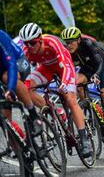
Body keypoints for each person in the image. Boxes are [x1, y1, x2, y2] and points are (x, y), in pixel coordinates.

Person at [19, 22, 92, 157]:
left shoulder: (52, 42)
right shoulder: (26, 51)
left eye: (33, 43)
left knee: (70, 99)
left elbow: (66, 65)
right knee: (26, 89)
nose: (29, 46)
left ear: (40, 39)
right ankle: (56, 111)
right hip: (46, 68)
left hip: (63, 67)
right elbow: (22, 72)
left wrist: (64, 83)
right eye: (26, 43)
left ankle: (84, 139)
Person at [60, 27, 104, 144]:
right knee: (76, 83)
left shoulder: (88, 44)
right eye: (66, 42)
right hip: (87, 67)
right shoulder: (67, 51)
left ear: (78, 40)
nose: (68, 45)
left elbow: (99, 63)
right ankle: (86, 106)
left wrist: (96, 75)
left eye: (71, 42)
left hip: (101, 65)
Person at [0, 29, 42, 135]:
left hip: (17, 61)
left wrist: (10, 88)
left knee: (7, 77)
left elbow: (11, 65)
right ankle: (22, 148)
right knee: (5, 120)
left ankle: (33, 115)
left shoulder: (1, 36)